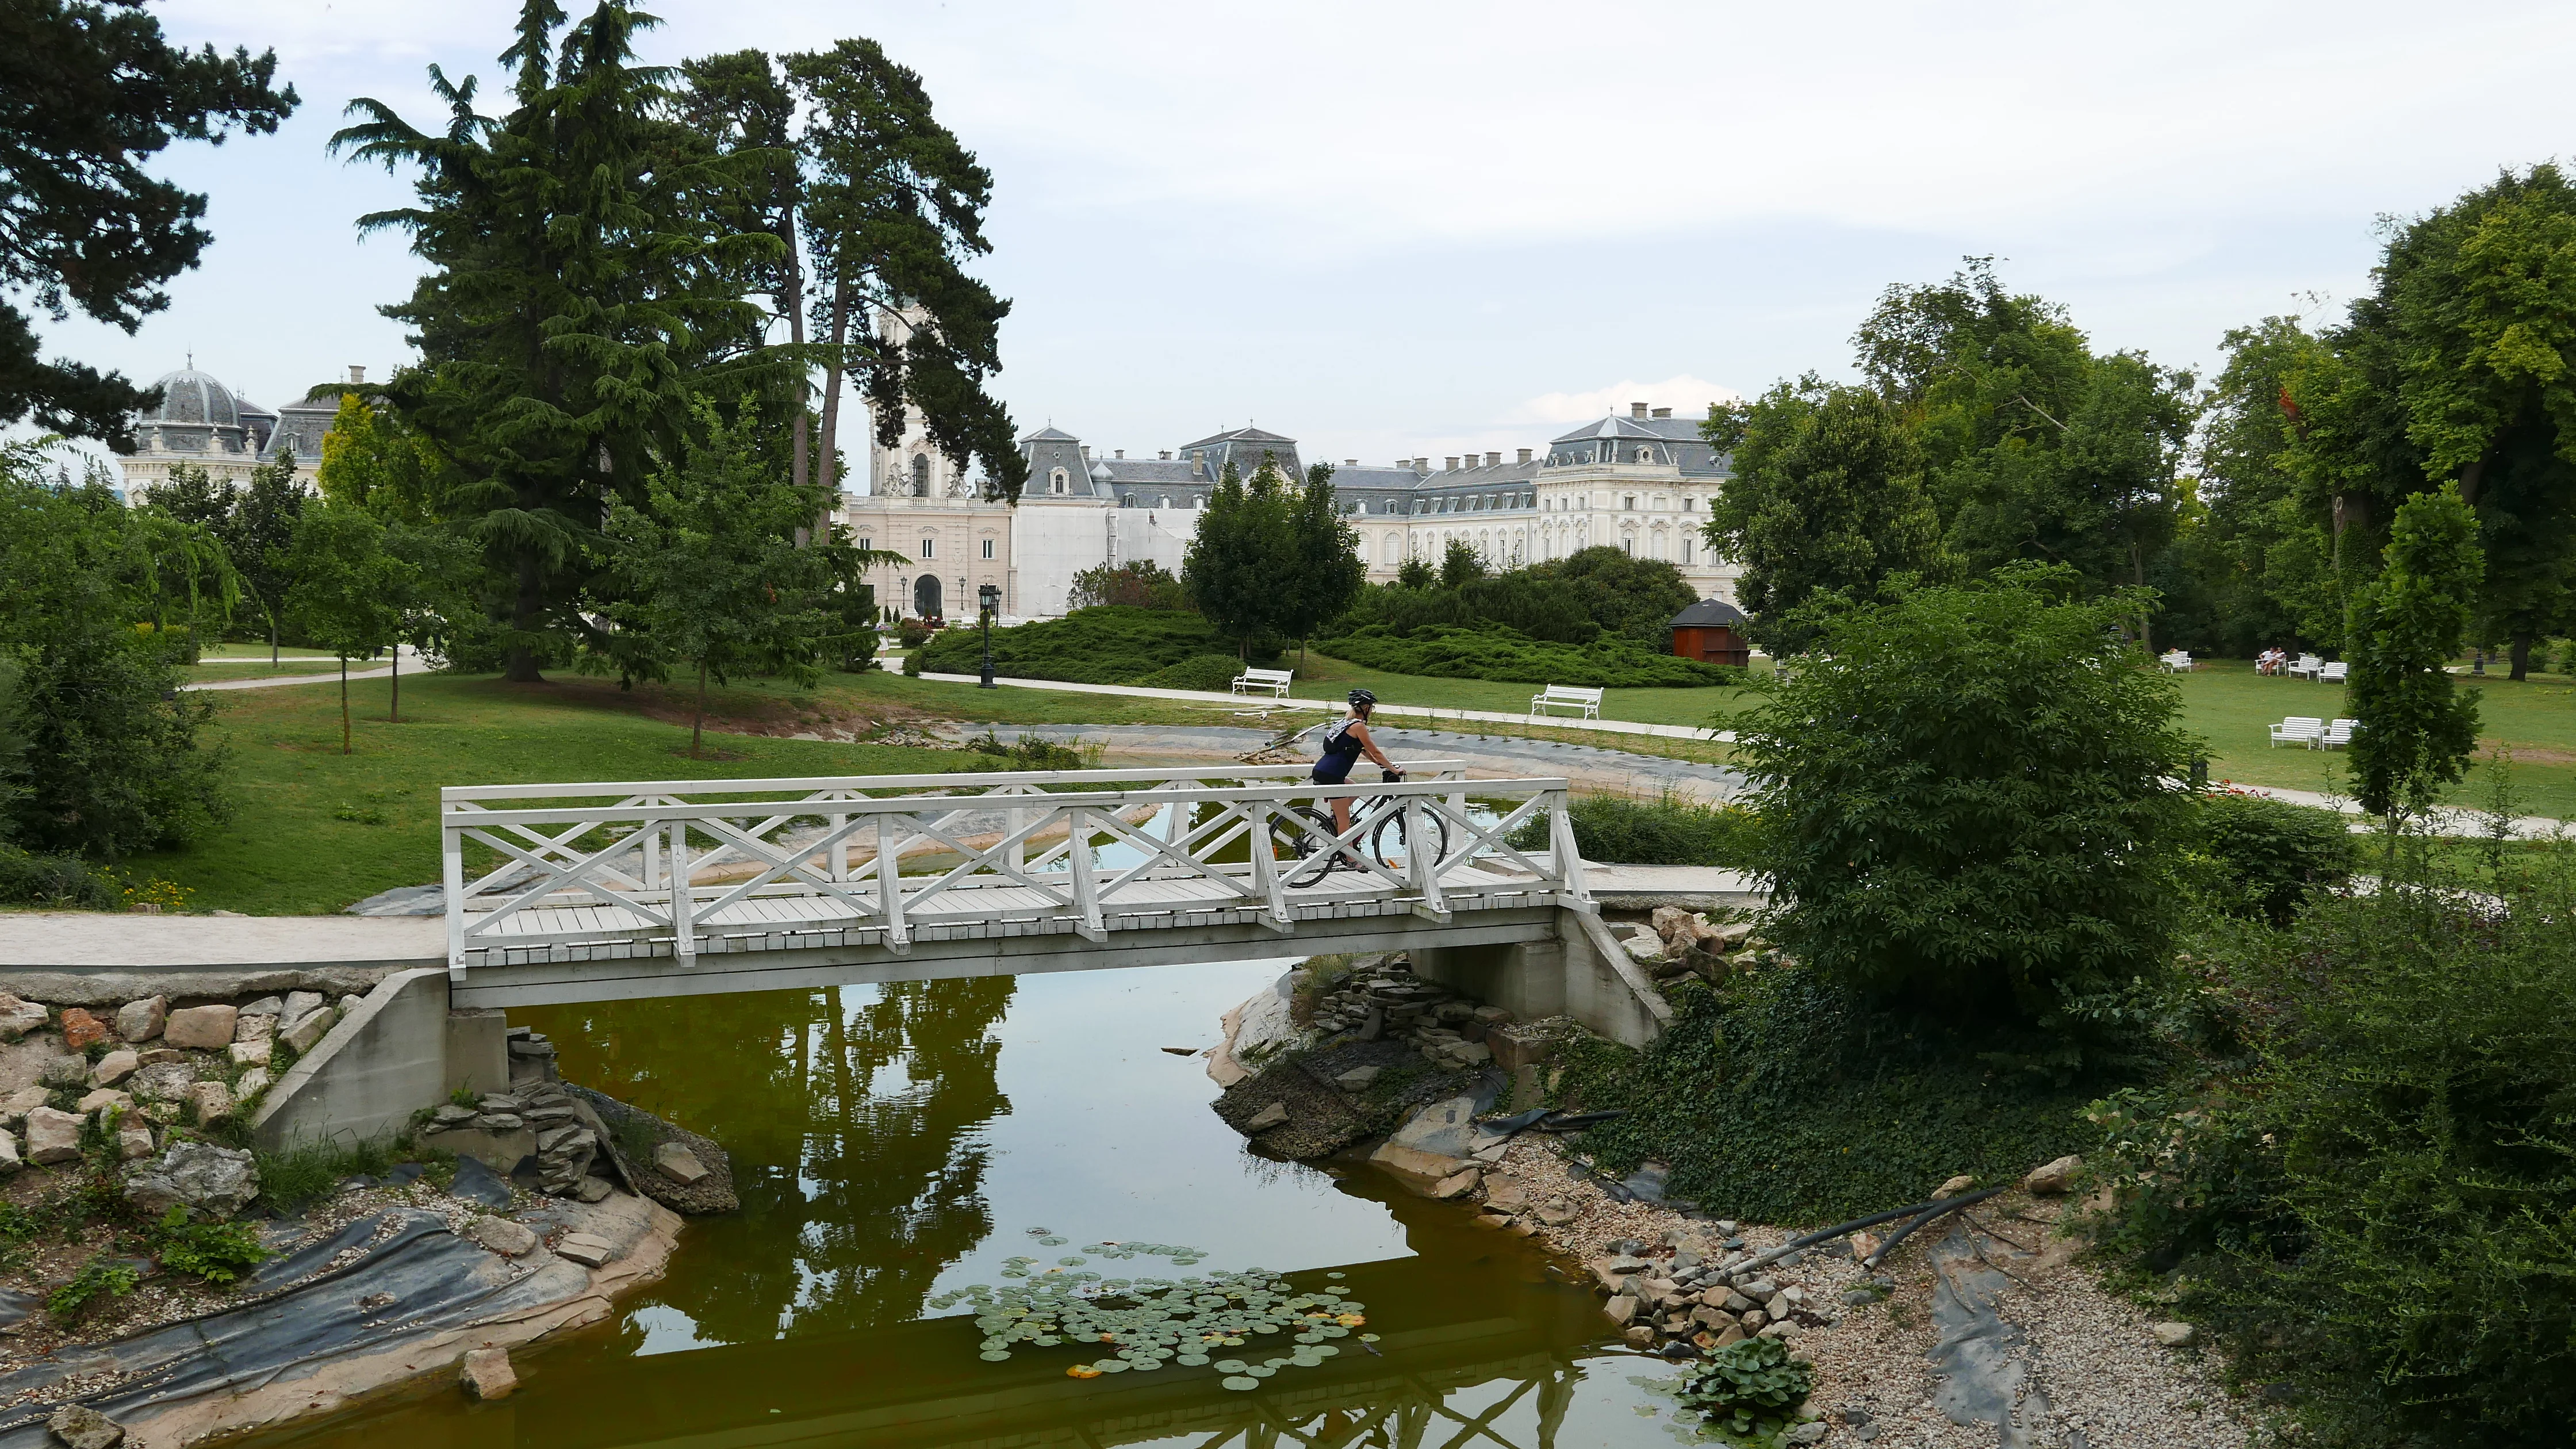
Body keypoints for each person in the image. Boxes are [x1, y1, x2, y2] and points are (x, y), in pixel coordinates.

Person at [1313, 688, 1402, 850]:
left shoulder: (1346, 723)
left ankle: (1335, 821)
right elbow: (1375, 750)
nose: (1372, 711)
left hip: (1324, 771)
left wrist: (1379, 764)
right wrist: (1394, 770)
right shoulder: (1359, 727)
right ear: (1365, 708)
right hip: (1333, 776)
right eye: (1371, 707)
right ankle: (1350, 857)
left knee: (1354, 789)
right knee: (1344, 818)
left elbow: (1363, 750)